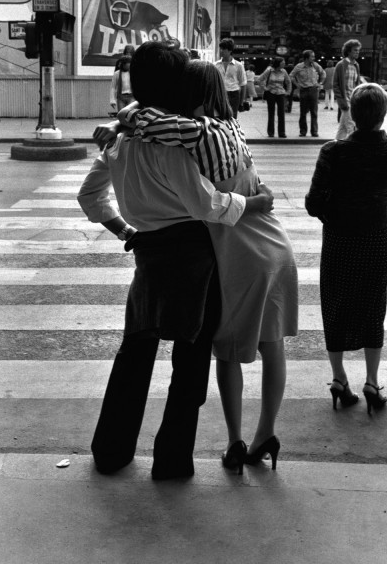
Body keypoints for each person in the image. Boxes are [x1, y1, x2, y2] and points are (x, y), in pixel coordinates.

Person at [78, 42, 275, 481]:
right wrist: (256, 203)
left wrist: (125, 231)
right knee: (189, 362)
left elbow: (89, 197)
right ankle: (170, 461)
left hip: (147, 254)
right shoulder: (175, 146)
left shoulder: (119, 141)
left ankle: (111, 450)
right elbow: (208, 205)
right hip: (191, 257)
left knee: (135, 352)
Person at [305, 83, 387, 415]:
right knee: (373, 305)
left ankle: (340, 379)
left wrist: (333, 214)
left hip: (341, 239)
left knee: (336, 304)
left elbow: (313, 204)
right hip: (377, 238)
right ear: (383, 115)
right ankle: (372, 381)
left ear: (352, 114)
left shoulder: (333, 152)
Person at [290, 50, 326, 137]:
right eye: (312, 57)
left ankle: (314, 131)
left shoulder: (315, 65)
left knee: (314, 111)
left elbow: (323, 73)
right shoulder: (299, 66)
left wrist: (320, 83)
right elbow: (291, 76)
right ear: (306, 58)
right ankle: (303, 131)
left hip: (314, 89)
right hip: (304, 90)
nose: (313, 58)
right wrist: (297, 85)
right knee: (303, 112)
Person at [333, 39, 362, 140]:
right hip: (346, 101)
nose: (357, 52)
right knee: (351, 127)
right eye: (355, 50)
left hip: (353, 100)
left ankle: (336, 147)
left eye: (358, 50)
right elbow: (335, 84)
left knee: (343, 128)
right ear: (348, 51)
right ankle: (352, 151)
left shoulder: (356, 65)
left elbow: (356, 84)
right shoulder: (341, 65)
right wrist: (341, 101)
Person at [258, 57, 291, 138]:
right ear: (278, 63)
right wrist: (264, 88)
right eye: (282, 62)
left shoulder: (284, 71)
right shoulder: (269, 70)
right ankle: (271, 132)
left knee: (281, 113)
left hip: (281, 93)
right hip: (271, 93)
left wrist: (288, 91)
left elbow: (288, 81)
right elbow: (259, 79)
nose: (284, 64)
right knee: (271, 113)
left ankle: (282, 132)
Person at [215, 38, 247, 118]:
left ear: (230, 50)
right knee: (219, 117)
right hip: (219, 94)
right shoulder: (215, 65)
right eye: (221, 49)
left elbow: (243, 84)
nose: (221, 51)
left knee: (232, 117)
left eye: (224, 49)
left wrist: (242, 102)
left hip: (233, 94)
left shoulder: (238, 65)